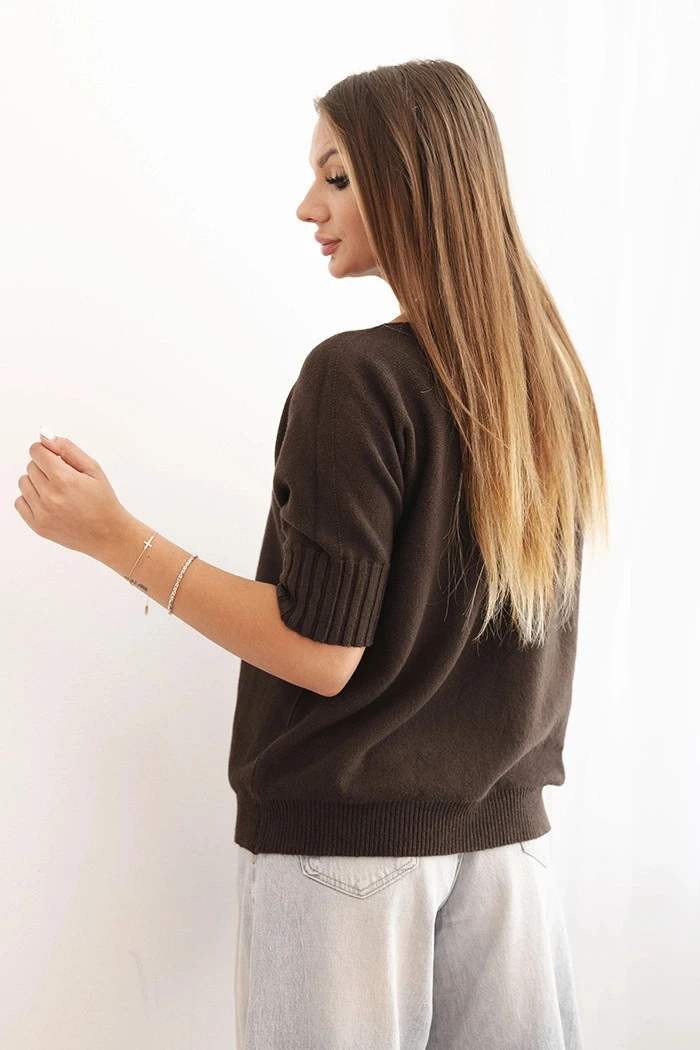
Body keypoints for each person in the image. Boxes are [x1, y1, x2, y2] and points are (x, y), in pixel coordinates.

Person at [229, 59, 608, 1050]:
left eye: (337, 175)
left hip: (346, 853)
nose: (307, 205)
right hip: (509, 853)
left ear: (414, 184)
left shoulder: (356, 378)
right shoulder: (547, 382)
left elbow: (322, 651)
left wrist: (115, 540)